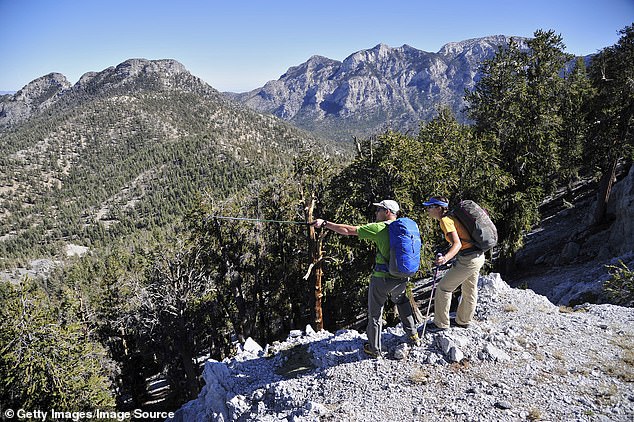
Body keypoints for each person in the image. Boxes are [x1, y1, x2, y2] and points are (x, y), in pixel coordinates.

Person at [312, 199, 421, 358]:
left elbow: (348, 230)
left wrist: (325, 223)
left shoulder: (380, 228)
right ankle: (413, 335)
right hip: (401, 277)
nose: (376, 213)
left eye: (378, 210)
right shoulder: (406, 229)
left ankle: (374, 348)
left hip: (381, 279)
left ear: (387, 212)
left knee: (375, 313)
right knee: (402, 301)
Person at [423, 196, 485, 332]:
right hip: (478, 256)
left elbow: (457, 244)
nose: (427, 210)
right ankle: (464, 321)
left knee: (444, 288)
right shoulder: (452, 217)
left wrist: (445, 258)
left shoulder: (445, 220)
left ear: (439, 208)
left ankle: (441, 324)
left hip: (468, 260)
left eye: (430, 207)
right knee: (469, 289)